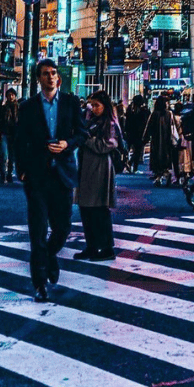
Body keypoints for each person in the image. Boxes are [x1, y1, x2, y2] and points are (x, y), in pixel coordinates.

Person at [15, 59, 88, 302]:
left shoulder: (70, 102)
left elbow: (82, 133)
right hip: (37, 175)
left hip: (63, 173)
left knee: (63, 228)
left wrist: (68, 144)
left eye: (53, 73)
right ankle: (39, 283)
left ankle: (49, 256)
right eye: (45, 73)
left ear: (58, 77)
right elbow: (20, 140)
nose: (50, 77)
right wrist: (21, 169)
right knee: (37, 231)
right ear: (38, 78)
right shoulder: (28, 107)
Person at [74, 90, 118, 262]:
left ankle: (107, 248)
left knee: (99, 208)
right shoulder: (89, 120)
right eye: (91, 104)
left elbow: (107, 145)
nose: (93, 108)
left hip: (100, 168)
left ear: (105, 106)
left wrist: (87, 139)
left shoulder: (109, 123)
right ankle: (92, 246)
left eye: (97, 105)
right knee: (86, 208)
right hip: (86, 166)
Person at [142, 95, 175, 186]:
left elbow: (149, 127)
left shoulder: (154, 114)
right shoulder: (169, 114)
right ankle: (166, 173)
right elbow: (172, 128)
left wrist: (145, 138)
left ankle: (158, 177)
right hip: (167, 140)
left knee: (156, 158)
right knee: (166, 158)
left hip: (156, 140)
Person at [0, 88, 19, 184]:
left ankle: (9, 174)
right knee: (4, 155)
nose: (11, 96)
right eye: (9, 95)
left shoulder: (19, 108)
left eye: (13, 95)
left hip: (14, 134)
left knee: (12, 156)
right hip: (4, 133)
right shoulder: (2, 108)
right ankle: (3, 175)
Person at [124, 94, 150, 173]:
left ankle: (127, 163)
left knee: (127, 150)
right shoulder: (143, 111)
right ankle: (134, 166)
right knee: (137, 151)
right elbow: (145, 122)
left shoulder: (129, 109)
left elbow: (127, 122)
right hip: (139, 133)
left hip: (130, 133)